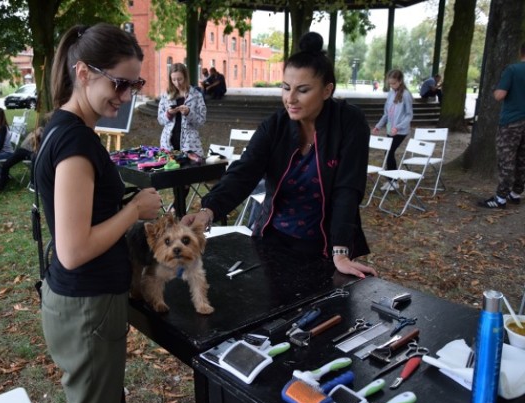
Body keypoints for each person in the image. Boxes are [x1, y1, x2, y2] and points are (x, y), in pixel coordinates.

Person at [34, 23, 162, 403]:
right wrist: (135, 209)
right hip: (87, 305)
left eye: (134, 85)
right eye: (120, 84)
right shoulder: (76, 142)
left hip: (79, 303)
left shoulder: (64, 128)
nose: (125, 97)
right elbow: (73, 251)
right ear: (84, 73)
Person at [182, 32, 377, 279]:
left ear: (327, 90)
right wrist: (207, 212)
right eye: (285, 88)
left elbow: (347, 189)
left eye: (303, 90)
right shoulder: (275, 126)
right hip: (273, 238)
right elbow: (244, 171)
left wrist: (340, 251)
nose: (290, 99)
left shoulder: (349, 123)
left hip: (325, 245)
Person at [479, 43, 525, 209]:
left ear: (521, 51)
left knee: (507, 159)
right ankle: (516, 193)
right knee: (522, 158)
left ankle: (500, 198)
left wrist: (495, 89)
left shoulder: (512, 70)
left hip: (511, 122)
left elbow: (500, 95)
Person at [158, 63, 207, 210]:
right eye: (173, 80)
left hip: (190, 145)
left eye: (179, 79)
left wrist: (188, 113)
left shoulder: (196, 95)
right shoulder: (166, 95)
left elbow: (201, 120)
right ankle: (178, 212)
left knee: (185, 180)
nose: (177, 83)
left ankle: (176, 210)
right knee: (174, 178)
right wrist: (169, 113)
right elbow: (160, 120)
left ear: (186, 77)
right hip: (169, 143)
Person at [372, 69, 414, 191]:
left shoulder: (406, 94)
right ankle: (391, 180)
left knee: (389, 153)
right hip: (391, 129)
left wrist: (398, 126)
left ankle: (394, 181)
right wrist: (379, 125)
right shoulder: (391, 94)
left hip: (400, 131)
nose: (392, 86)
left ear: (400, 81)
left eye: (394, 83)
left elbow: (409, 115)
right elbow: (386, 113)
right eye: (390, 84)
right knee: (387, 153)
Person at [0, 126, 42, 190]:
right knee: (6, 164)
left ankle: (33, 184)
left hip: (31, 152)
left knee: (35, 158)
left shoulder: (42, 132)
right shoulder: (34, 133)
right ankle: (1, 185)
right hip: (23, 150)